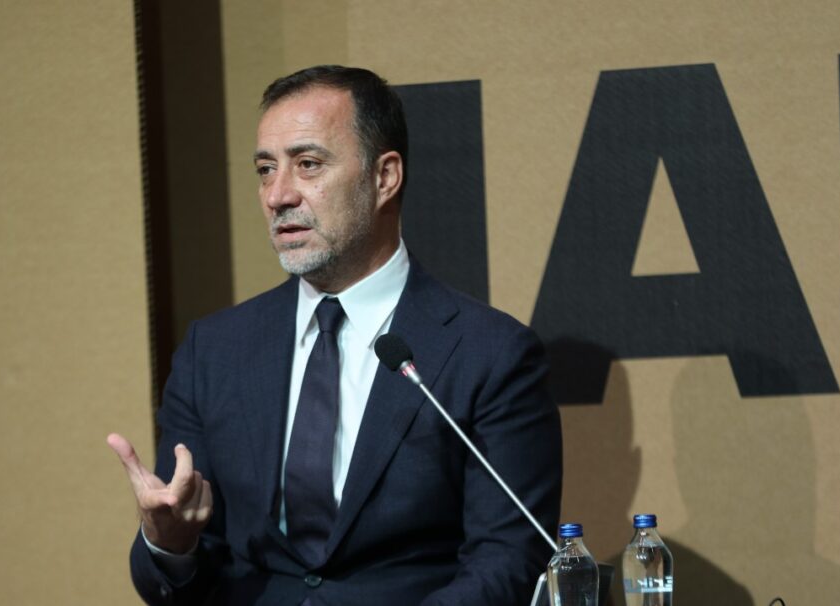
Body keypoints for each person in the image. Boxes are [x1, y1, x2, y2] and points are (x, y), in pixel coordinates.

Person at [108, 65, 562, 605]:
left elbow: (510, 559)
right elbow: (176, 572)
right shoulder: (215, 351)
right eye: (265, 169)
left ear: (384, 177)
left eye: (308, 164)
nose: (278, 195)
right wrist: (168, 543)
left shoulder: (489, 353)